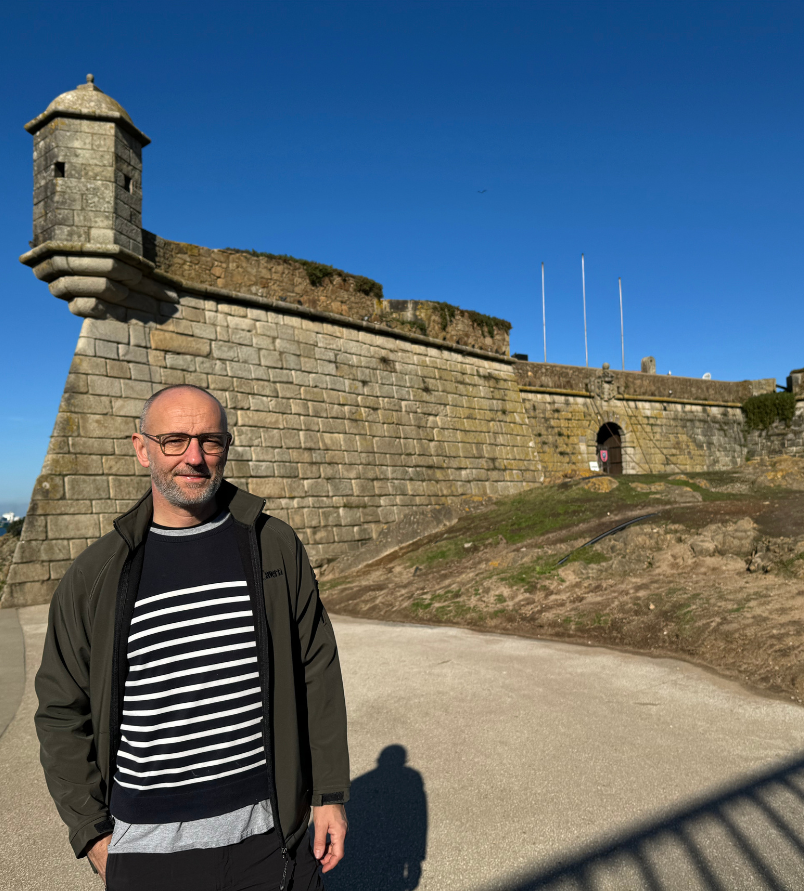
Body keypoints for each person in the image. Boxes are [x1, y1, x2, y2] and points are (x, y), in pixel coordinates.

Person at [35, 384, 350, 890]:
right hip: (148, 848)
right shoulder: (95, 574)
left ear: (227, 445)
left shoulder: (273, 545)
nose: (195, 458)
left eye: (210, 441)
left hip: (269, 836)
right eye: (174, 440)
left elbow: (317, 669)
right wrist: (93, 834)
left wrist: (328, 794)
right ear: (141, 448)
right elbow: (59, 708)